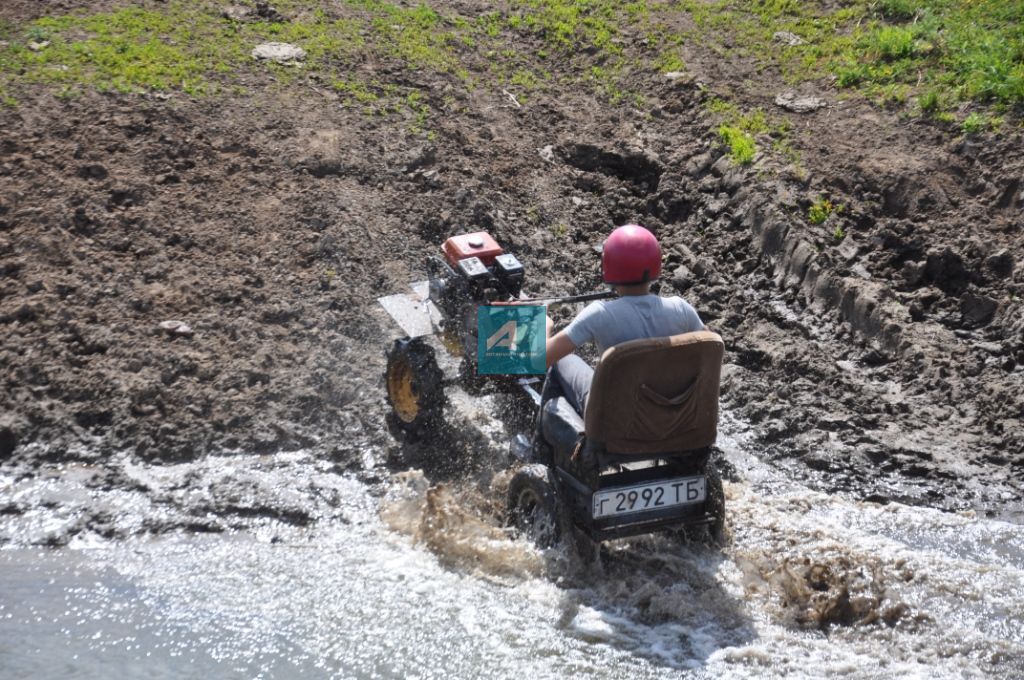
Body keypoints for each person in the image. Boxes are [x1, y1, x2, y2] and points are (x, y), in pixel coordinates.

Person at [543, 224, 705, 417]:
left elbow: (542, 359)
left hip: (616, 422)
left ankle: (543, 444)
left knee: (564, 362)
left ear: (608, 266)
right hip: (671, 416)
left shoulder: (599, 314)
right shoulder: (681, 309)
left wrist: (545, 326)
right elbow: (710, 348)